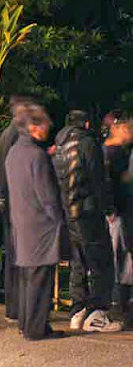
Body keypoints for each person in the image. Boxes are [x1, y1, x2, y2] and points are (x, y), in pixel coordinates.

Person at [52, 110, 121, 332]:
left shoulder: (59, 146)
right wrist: (108, 208)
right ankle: (97, 314)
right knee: (101, 261)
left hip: (68, 213)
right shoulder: (87, 143)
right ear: (87, 123)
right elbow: (97, 180)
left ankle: (77, 311)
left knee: (78, 262)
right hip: (89, 213)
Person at [5, 104, 65, 341]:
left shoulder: (14, 153)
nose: (47, 130)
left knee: (28, 278)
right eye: (44, 126)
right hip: (40, 225)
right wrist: (59, 217)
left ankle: (26, 323)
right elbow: (47, 196)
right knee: (41, 278)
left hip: (21, 221)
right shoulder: (37, 156)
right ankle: (36, 329)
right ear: (32, 127)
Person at [0, 97, 31, 322]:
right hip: (15, 203)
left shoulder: (6, 135)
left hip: (6, 201)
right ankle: (19, 308)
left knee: (13, 255)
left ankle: (13, 307)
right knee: (20, 256)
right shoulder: (17, 137)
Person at [103, 111, 133, 325]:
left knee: (123, 259)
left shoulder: (119, 153)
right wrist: (110, 210)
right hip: (117, 214)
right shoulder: (111, 153)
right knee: (118, 258)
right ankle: (117, 304)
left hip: (121, 212)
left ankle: (121, 303)